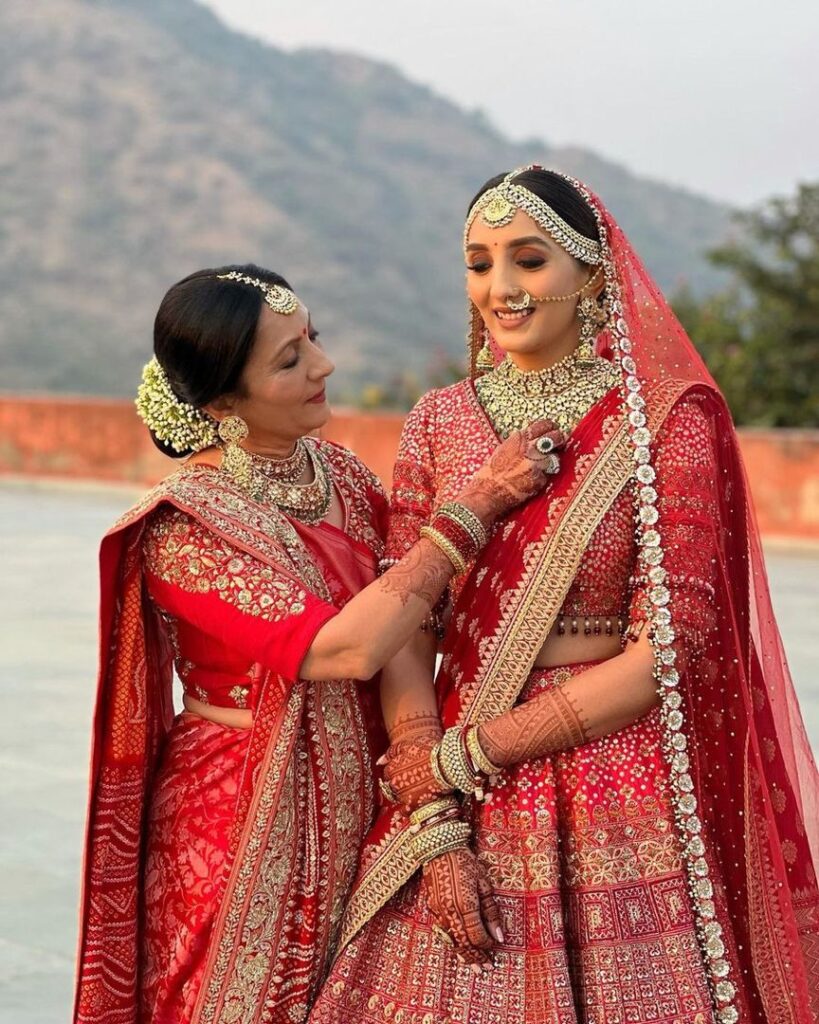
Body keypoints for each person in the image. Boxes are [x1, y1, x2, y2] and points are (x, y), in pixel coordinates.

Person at [309, 169, 819, 1024]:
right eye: (478, 264)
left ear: (591, 272)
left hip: (610, 774)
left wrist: (472, 755)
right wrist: (434, 809)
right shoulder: (438, 419)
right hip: (448, 775)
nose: (500, 289)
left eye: (528, 260)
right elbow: (407, 624)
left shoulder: (664, 419)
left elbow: (672, 648)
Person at [72, 265, 558, 1024]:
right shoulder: (185, 526)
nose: (322, 367)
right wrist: (477, 504)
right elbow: (342, 650)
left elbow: (406, 620)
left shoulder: (339, 474)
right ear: (224, 403)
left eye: (313, 341)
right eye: (289, 360)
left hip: (366, 795)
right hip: (238, 819)